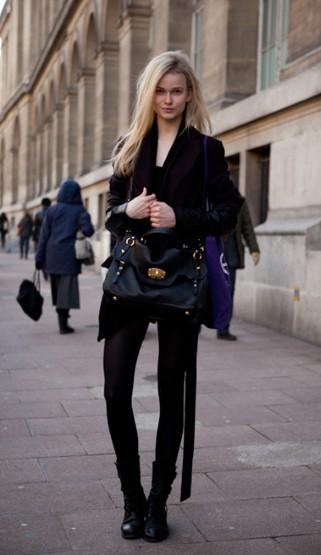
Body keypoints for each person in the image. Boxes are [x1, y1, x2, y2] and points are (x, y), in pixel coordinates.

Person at [98, 50, 243, 543]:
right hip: (129, 281)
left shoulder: (206, 150)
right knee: (116, 390)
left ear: (189, 93)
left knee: (170, 394)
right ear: (149, 93)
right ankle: (132, 500)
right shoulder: (128, 145)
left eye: (177, 90)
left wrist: (181, 217)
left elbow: (227, 213)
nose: (168, 99)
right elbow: (112, 214)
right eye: (160, 90)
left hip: (182, 280)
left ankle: (158, 502)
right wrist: (131, 210)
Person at [35, 180, 94, 334]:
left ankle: (62, 319)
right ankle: (63, 324)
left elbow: (44, 235)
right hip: (69, 256)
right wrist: (80, 229)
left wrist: (39, 258)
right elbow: (89, 230)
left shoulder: (52, 210)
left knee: (57, 290)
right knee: (66, 291)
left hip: (51, 254)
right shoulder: (79, 210)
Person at [217, 199, 260, 341]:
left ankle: (223, 328)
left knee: (228, 291)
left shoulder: (239, 200)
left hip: (231, 254)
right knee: (204, 289)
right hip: (213, 253)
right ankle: (196, 322)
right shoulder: (209, 197)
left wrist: (254, 248)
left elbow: (247, 226)